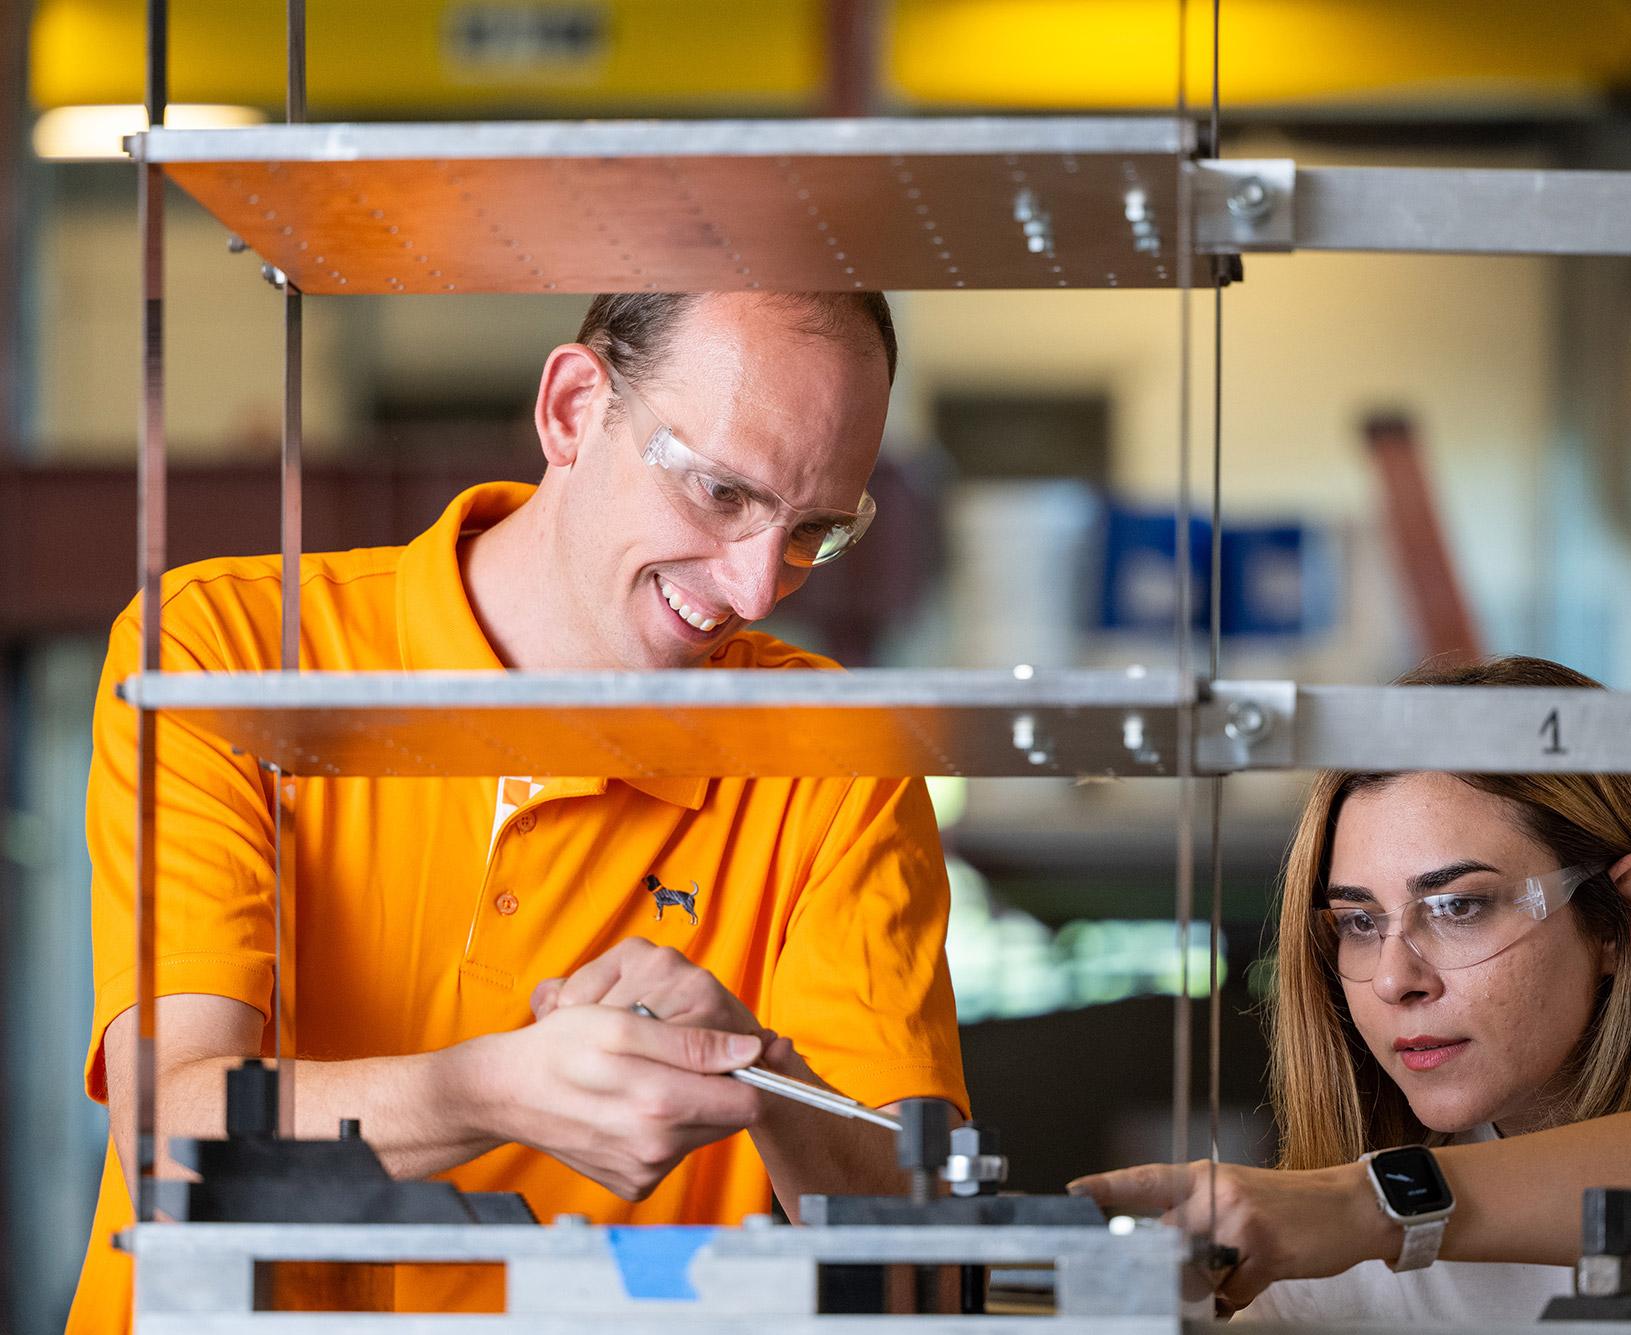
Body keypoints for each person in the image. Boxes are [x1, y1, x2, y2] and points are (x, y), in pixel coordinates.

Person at [71, 291, 966, 1326]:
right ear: (574, 408)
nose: (757, 586)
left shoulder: (833, 759)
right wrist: (487, 1092)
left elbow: (924, 1260)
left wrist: (761, 1072)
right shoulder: (223, 656)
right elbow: (170, 1144)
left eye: (814, 529)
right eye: (720, 493)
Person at [1072, 655, 1631, 1323]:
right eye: (1358, 920)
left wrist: (1373, 1203)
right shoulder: (1344, 1266)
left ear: (1622, 917)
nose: (1394, 978)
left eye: (1459, 906)